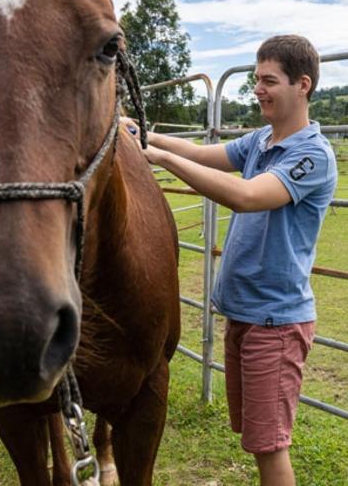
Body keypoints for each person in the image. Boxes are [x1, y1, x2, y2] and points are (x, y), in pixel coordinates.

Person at [139, 34, 337, 486]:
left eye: (269, 81)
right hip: (245, 315)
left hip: (276, 322)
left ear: (302, 84)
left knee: (270, 448)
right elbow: (201, 153)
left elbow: (248, 196)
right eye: (256, 80)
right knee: (255, 439)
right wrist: (139, 131)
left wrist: (161, 159)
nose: (258, 90)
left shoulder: (311, 155)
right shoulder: (262, 141)